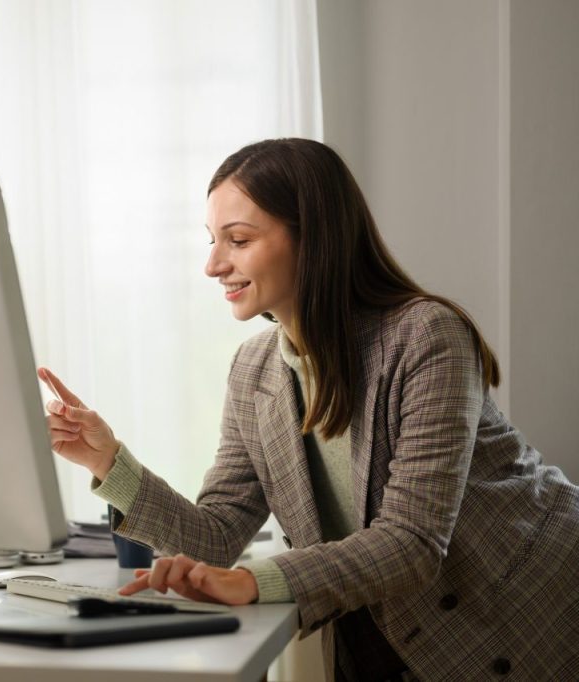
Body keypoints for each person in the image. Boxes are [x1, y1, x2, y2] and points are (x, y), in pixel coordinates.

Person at [37, 138, 579, 681]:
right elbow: (218, 536)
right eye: (212, 241)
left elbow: (412, 541)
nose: (212, 265)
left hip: (530, 615)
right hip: (386, 629)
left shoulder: (427, 336)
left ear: (313, 238)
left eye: (239, 240)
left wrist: (258, 581)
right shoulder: (253, 371)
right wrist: (108, 463)